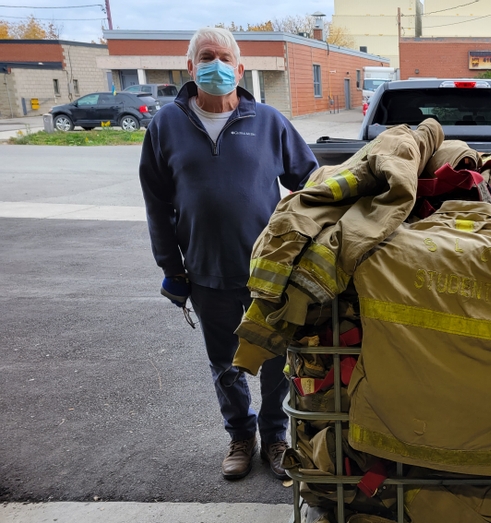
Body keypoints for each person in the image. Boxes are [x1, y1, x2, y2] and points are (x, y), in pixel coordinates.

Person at [139, 27, 319, 481]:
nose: (215, 64)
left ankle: (277, 437)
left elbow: (310, 185)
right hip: (206, 272)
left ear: (239, 69)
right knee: (225, 363)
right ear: (190, 66)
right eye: (206, 56)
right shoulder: (166, 125)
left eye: (224, 57)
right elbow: (157, 204)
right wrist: (171, 268)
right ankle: (241, 436)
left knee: (277, 359)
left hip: (270, 274)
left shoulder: (270, 122)